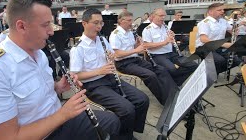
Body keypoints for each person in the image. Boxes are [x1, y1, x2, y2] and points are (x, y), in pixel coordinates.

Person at [0, 0, 121, 140]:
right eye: (46, 25)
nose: (51, 32)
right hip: (41, 134)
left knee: (112, 121)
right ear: (21, 27)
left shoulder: (39, 53)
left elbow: (39, 89)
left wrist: (59, 87)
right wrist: (63, 114)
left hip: (58, 121)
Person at [70, 8, 149, 139]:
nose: (99, 26)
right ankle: (124, 136)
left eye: (101, 23)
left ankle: (127, 131)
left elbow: (111, 56)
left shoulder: (103, 40)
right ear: (84, 23)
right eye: (95, 23)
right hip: (93, 85)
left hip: (110, 78)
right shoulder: (78, 48)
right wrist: (99, 71)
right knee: (127, 109)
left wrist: (111, 57)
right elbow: (75, 76)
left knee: (142, 99)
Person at [109, 11, 177, 105]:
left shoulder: (129, 32)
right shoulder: (115, 34)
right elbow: (117, 54)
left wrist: (137, 43)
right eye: (129, 20)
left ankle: (174, 93)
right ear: (121, 21)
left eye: (131, 20)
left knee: (160, 69)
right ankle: (167, 102)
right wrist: (136, 50)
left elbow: (133, 48)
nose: (131, 23)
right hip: (124, 63)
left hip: (135, 60)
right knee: (150, 75)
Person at [142, 8, 198, 86]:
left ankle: (175, 82)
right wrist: (165, 42)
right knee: (172, 69)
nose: (163, 18)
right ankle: (171, 84)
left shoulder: (165, 27)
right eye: (161, 16)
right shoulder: (148, 29)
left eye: (164, 16)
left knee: (193, 65)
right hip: (157, 55)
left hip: (171, 53)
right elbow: (147, 45)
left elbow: (170, 40)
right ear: (153, 16)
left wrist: (172, 37)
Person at [195, 3, 242, 74]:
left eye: (223, 10)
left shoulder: (223, 21)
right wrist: (223, 44)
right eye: (219, 10)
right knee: (220, 60)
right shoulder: (205, 23)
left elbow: (232, 31)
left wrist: (235, 30)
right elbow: (203, 39)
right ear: (210, 12)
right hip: (204, 48)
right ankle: (209, 73)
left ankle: (213, 72)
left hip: (218, 47)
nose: (222, 11)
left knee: (236, 61)